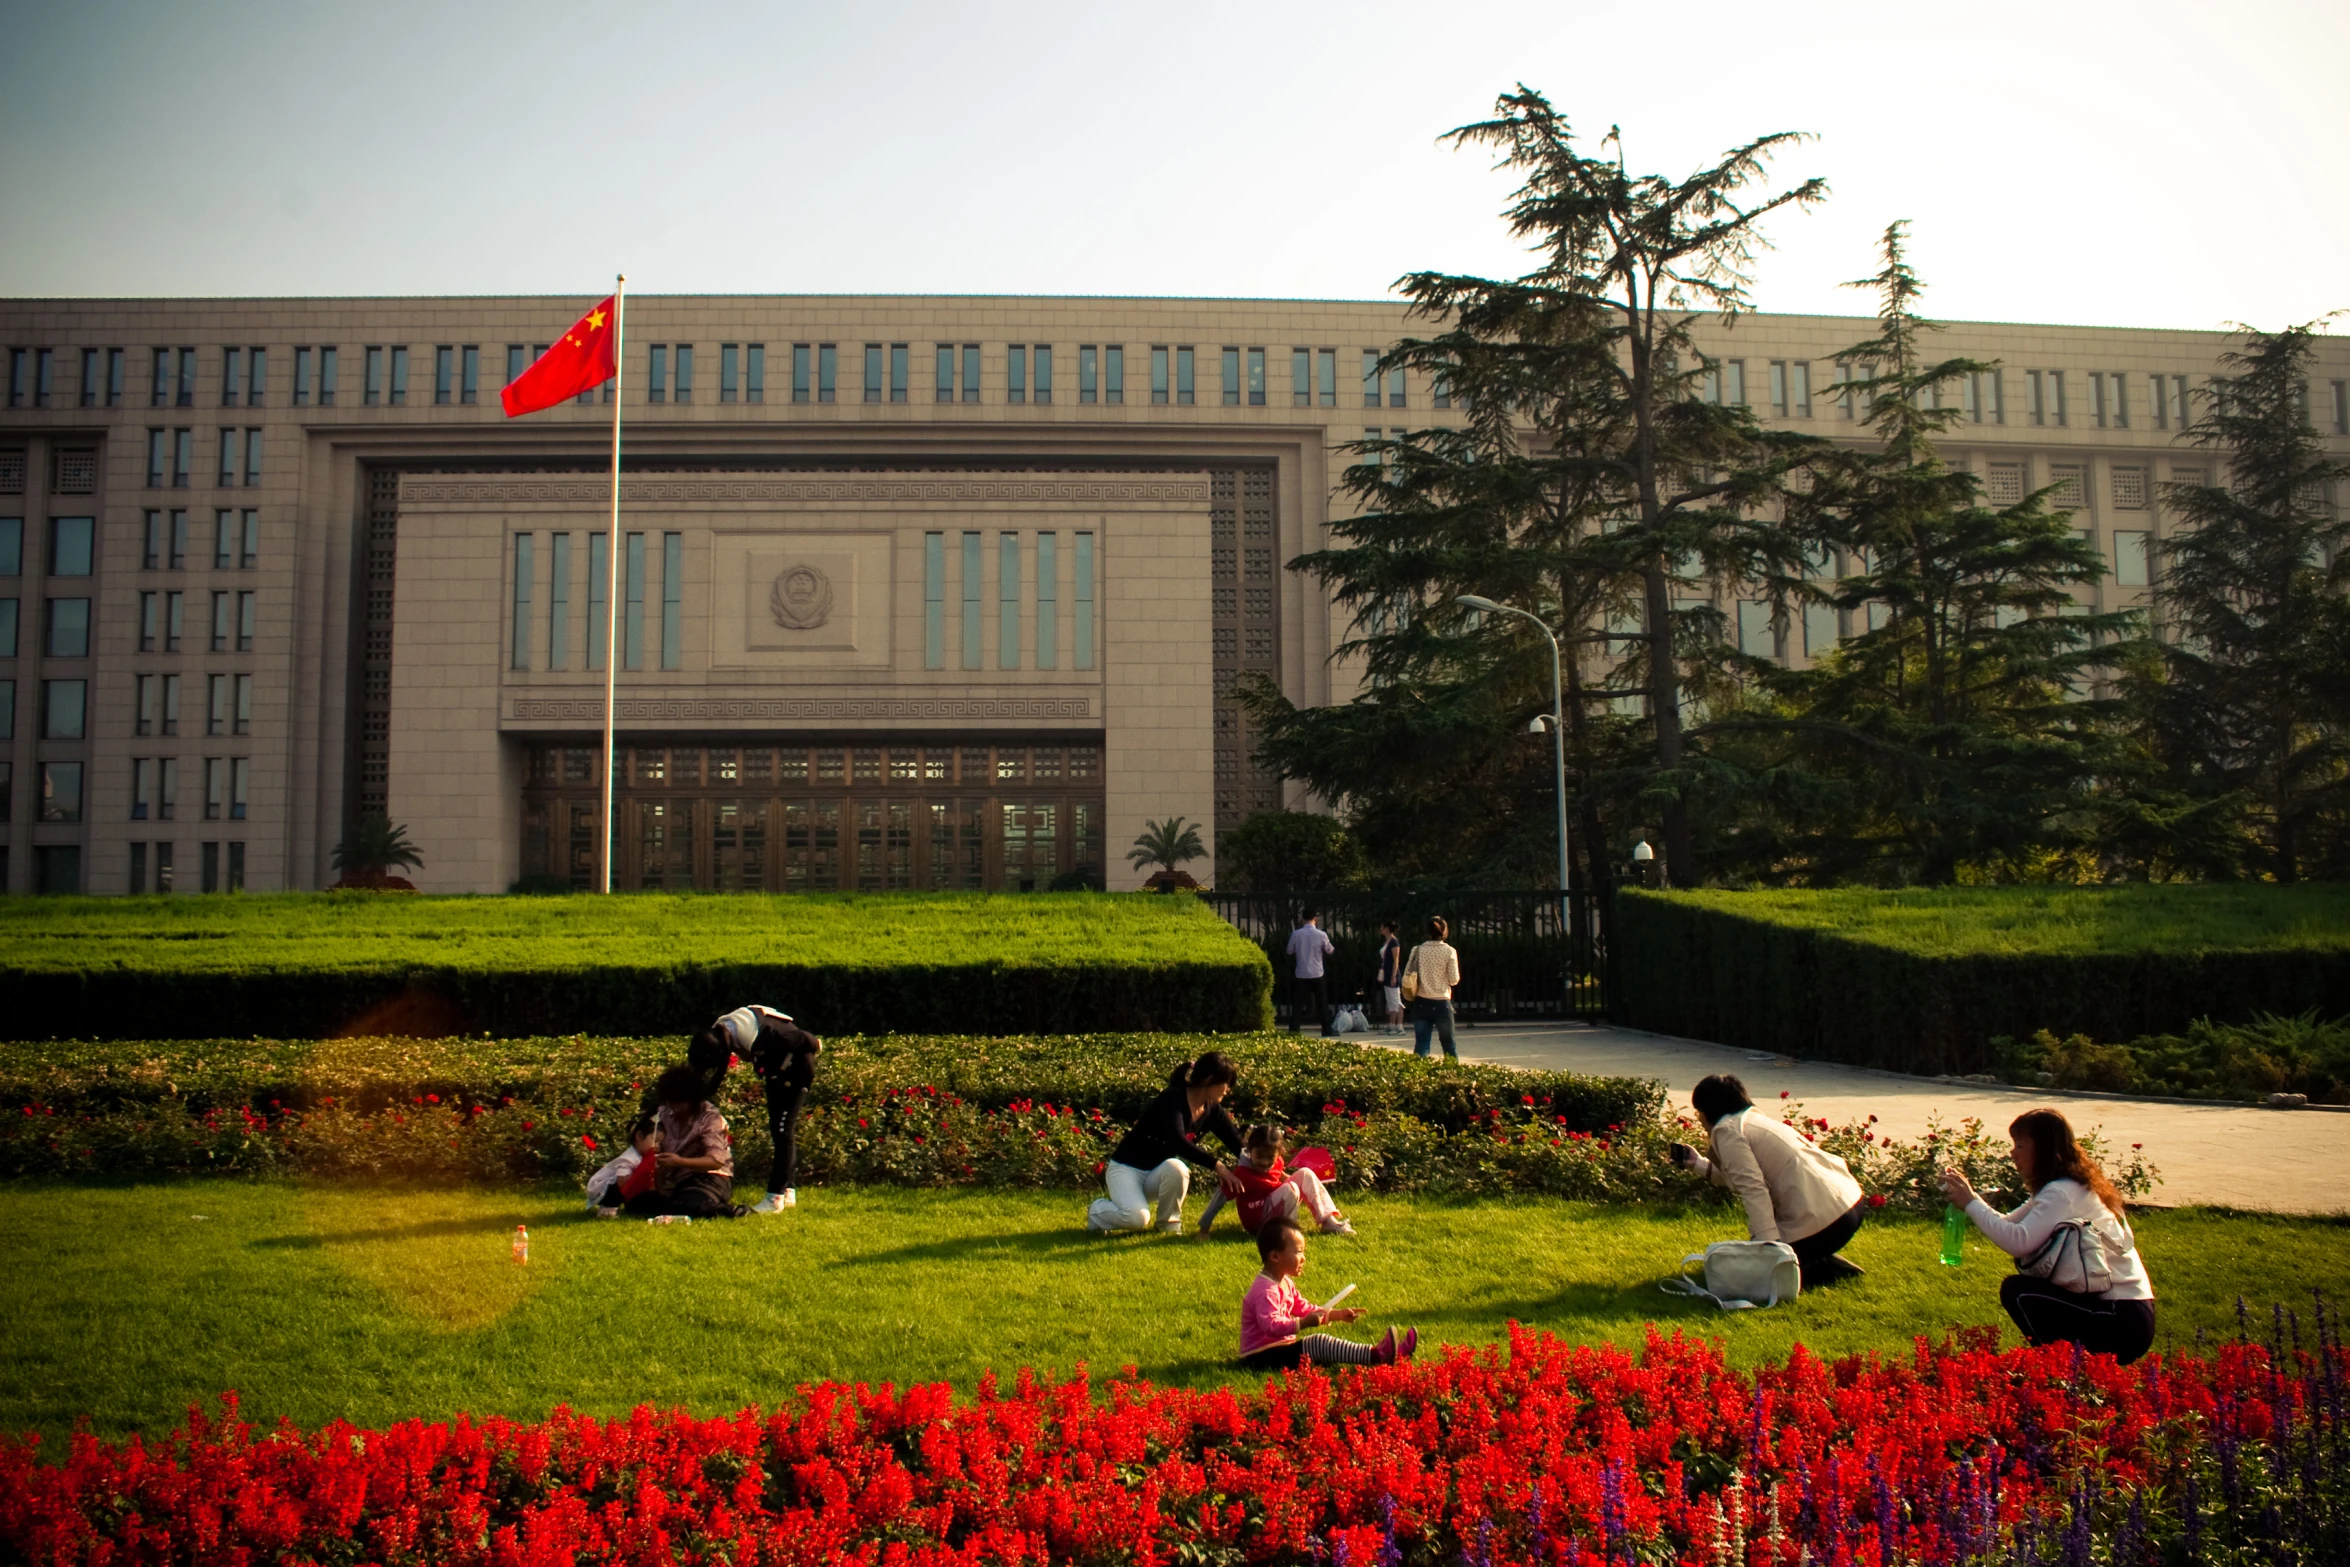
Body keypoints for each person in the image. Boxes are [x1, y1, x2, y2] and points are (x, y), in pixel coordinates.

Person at [1939, 1108, 2156, 1364]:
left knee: (2019, 1292)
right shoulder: (2060, 1188)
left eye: (2020, 1145)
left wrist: (1972, 1203)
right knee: (2024, 1290)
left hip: (2121, 1318)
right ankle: (2066, 1372)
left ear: (2042, 1149)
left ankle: (2062, 1371)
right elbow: (2007, 1224)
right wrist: (1970, 1198)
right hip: (2125, 1314)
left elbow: (2017, 1241)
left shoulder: (2061, 1192)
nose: (2013, 1154)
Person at [1670, 1074, 1866, 1287]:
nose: (1699, 1119)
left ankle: (1812, 1269)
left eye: (1698, 1112)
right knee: (1758, 1255)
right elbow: (1742, 1177)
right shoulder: (1752, 1120)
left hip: (1825, 1224)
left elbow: (1753, 1188)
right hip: (1850, 1205)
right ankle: (1817, 1259)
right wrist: (1697, 1163)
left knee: (1745, 1273)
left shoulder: (1728, 1131)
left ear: (1708, 1111)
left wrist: (1767, 1248)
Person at [1086, 1052, 1246, 1235]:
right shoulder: (1172, 1098)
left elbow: (1237, 1145)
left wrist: (1272, 1168)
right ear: (1210, 1080)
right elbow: (1177, 1141)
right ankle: (1096, 1211)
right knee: (1137, 1219)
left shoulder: (1212, 1110)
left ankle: (1168, 1225)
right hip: (1126, 1169)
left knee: (1177, 1167)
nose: (1228, 1090)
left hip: (1156, 1173)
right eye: (1227, 1084)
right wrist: (1218, 1166)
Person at [1239, 1218, 1416, 1371]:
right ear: (1275, 1256)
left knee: (1321, 1348)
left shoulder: (1284, 1281)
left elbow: (1304, 1307)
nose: (1304, 1258)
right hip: (1261, 1356)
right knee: (1317, 1343)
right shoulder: (1265, 1291)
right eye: (1299, 1251)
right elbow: (1271, 1326)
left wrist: (1335, 1314)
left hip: (1281, 1349)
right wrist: (1304, 1323)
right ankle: (1378, 1355)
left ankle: (1382, 1354)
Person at [697, 1003, 822, 1215]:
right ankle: (788, 1189)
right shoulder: (724, 1028)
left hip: (797, 1069)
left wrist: (816, 1045)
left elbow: (804, 1039)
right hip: (779, 1070)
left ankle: (774, 1198)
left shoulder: (763, 1036)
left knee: (783, 1132)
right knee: (779, 1130)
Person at [625, 1065, 746, 1220]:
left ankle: (728, 1210)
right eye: (670, 1102)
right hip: (679, 1181)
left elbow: (715, 1161)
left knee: (688, 1204)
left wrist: (680, 1162)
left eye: (678, 1103)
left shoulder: (709, 1118)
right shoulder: (664, 1114)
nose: (673, 1108)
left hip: (711, 1178)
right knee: (637, 1205)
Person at [1199, 1123, 1354, 1237]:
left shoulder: (1277, 1163)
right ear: (1249, 1150)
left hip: (1276, 1207)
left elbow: (1279, 1176)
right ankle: (1289, 1233)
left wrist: (1302, 1184)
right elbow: (1219, 1198)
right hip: (1259, 1223)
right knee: (1290, 1188)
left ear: (1279, 1154)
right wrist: (1204, 1229)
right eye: (1259, 1156)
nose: (1264, 1163)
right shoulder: (1243, 1173)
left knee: (1305, 1173)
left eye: (1270, 1158)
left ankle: (1328, 1221)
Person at [1406, 916, 1461, 1060]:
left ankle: (1419, 1077)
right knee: (1449, 1044)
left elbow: (1408, 974)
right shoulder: (1449, 951)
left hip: (1422, 1001)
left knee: (1422, 1045)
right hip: (1442, 1002)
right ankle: (1453, 1075)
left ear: (1427, 931)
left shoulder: (1417, 950)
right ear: (1444, 931)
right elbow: (1453, 980)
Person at [585, 1114, 660, 1214]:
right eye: (655, 1140)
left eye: (660, 1143)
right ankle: (608, 1207)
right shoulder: (629, 1158)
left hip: (609, 1186)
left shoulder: (642, 1157)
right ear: (639, 1136)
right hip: (600, 1188)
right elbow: (622, 1181)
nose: (657, 1145)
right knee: (623, 1182)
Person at [1285, 912, 1335, 1033]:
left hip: (1301, 973)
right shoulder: (1321, 934)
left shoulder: (1296, 934)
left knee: (1298, 1003)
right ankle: (1326, 1029)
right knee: (1321, 1002)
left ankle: (1294, 1029)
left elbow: (1289, 951)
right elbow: (1330, 950)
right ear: (1315, 919)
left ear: (1302, 919)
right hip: (1317, 972)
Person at [1376, 920, 1405, 1034]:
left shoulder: (1394, 942)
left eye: (1382, 927)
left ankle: (1399, 1026)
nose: (1380, 929)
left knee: (1396, 1000)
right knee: (1390, 1000)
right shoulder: (1387, 942)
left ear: (1387, 928)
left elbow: (1396, 960)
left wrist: (1393, 976)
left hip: (1392, 974)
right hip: (1386, 973)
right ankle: (1391, 1025)